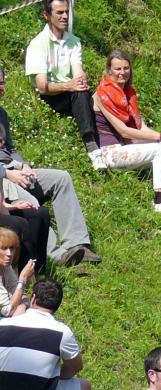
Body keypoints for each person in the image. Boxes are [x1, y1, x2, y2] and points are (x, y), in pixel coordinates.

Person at [0, 64, 99, 266]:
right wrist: (7, 174)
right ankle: (58, 255)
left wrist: (24, 166)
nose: (1, 88)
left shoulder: (2, 114)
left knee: (61, 178)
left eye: (2, 83)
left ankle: (77, 244)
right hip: (2, 178)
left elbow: (10, 148)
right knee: (31, 202)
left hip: (13, 168)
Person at [0, 278, 109, 390]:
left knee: (84, 387)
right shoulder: (61, 332)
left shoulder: (4, 324)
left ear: (33, 298)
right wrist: (51, 374)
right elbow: (75, 367)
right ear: (57, 306)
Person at [92, 51, 161, 223]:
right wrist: (159, 137)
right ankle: (159, 202)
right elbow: (124, 131)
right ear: (109, 70)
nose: (122, 72)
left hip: (129, 146)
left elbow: (140, 126)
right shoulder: (101, 94)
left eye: (126, 68)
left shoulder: (128, 93)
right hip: (111, 153)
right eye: (118, 69)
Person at [24, 1, 101, 163]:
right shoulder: (37, 45)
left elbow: (78, 70)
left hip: (70, 92)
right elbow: (42, 87)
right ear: (47, 15)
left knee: (96, 93)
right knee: (80, 92)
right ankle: (90, 142)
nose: (65, 16)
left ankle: (111, 137)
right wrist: (69, 85)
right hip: (50, 96)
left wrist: (80, 80)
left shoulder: (73, 41)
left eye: (66, 12)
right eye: (59, 13)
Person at [0, 226, 34, 317]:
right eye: (4, 248)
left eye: (12, 248)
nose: (9, 254)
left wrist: (23, 305)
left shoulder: (6, 267)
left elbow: (20, 293)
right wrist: (23, 279)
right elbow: (8, 311)